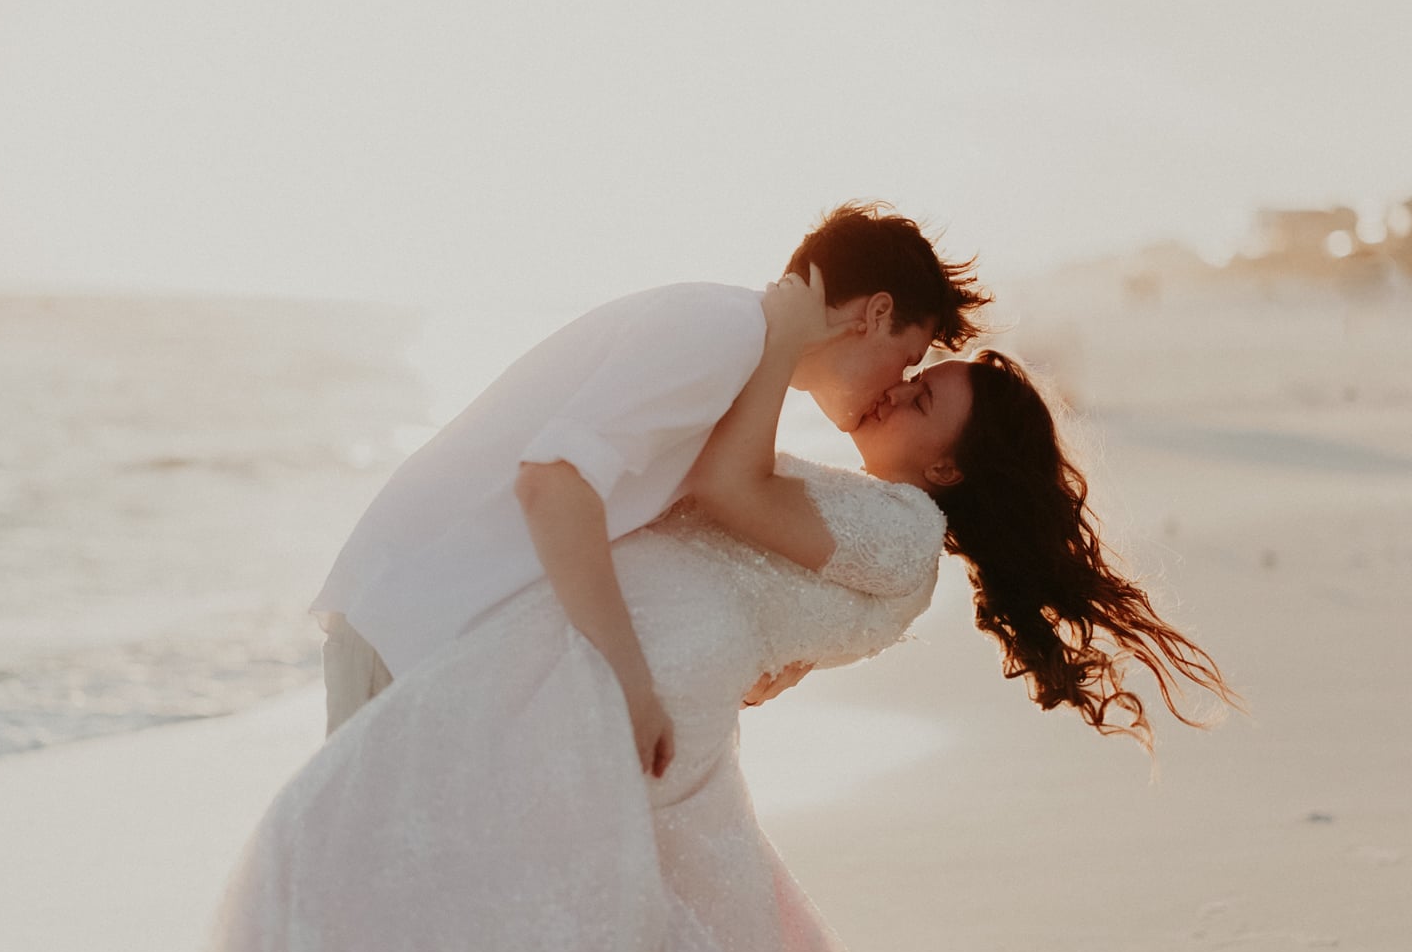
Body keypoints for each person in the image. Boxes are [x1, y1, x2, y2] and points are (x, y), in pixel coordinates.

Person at [183, 272, 1236, 952]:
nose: (892, 393)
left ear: (951, 472)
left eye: (920, 399)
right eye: (910, 374)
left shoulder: (903, 531)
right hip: (608, 697)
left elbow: (727, 487)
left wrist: (779, 344)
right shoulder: (878, 541)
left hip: (618, 709)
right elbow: (758, 599)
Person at [312, 202, 989, 783]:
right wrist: (628, 682)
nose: (894, 385)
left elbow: (703, 523)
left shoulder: (739, 351)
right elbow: (552, 483)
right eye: (907, 358)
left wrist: (795, 645)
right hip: (412, 627)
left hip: (443, 636)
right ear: (875, 314)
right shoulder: (719, 336)